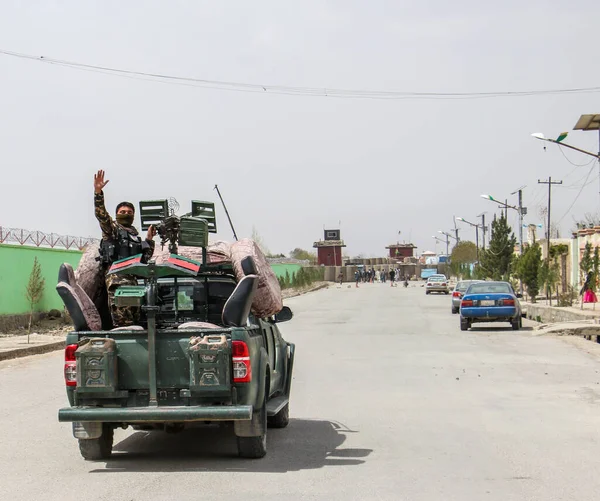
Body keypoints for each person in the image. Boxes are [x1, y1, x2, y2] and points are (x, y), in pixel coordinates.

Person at [94, 170, 157, 326]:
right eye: (122, 212)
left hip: (133, 283)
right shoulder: (113, 230)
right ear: (116, 215)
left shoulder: (135, 236)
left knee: (135, 322)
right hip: (118, 281)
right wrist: (98, 193)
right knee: (123, 323)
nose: (126, 214)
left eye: (129, 212)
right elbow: (102, 216)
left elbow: (145, 259)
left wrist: (149, 240)